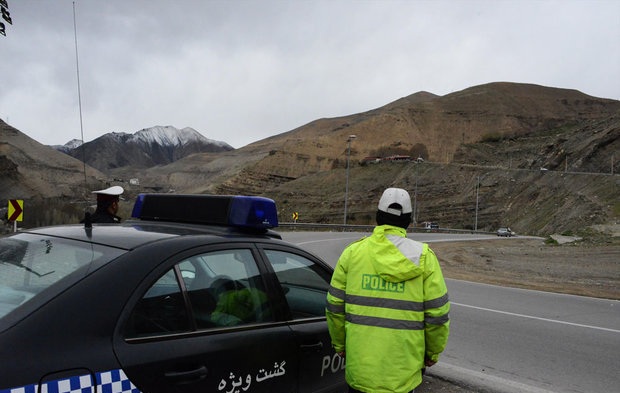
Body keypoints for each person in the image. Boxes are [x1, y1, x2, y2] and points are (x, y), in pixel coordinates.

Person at [326, 187, 450, 393]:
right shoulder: (425, 258)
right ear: (408, 220)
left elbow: (334, 307)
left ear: (377, 217)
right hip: (402, 375)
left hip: (361, 373)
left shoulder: (352, 253)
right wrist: (432, 353)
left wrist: (340, 346)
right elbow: (437, 315)